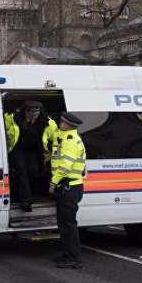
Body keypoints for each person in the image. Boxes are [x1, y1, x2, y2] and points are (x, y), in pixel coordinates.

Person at [49, 112, 86, 269]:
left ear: (68, 125)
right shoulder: (66, 137)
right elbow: (55, 133)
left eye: (61, 122)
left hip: (69, 187)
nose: (59, 124)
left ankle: (74, 258)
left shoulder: (70, 142)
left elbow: (65, 166)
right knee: (63, 224)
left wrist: (53, 182)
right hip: (67, 187)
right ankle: (66, 254)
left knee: (69, 224)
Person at [12, 101, 57, 211]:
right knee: (22, 172)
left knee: (33, 171)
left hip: (33, 150)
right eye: (32, 115)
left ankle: (20, 193)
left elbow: (56, 138)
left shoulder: (47, 121)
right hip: (17, 149)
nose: (34, 117)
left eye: (36, 115)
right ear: (26, 111)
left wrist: (50, 152)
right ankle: (26, 201)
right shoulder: (14, 118)